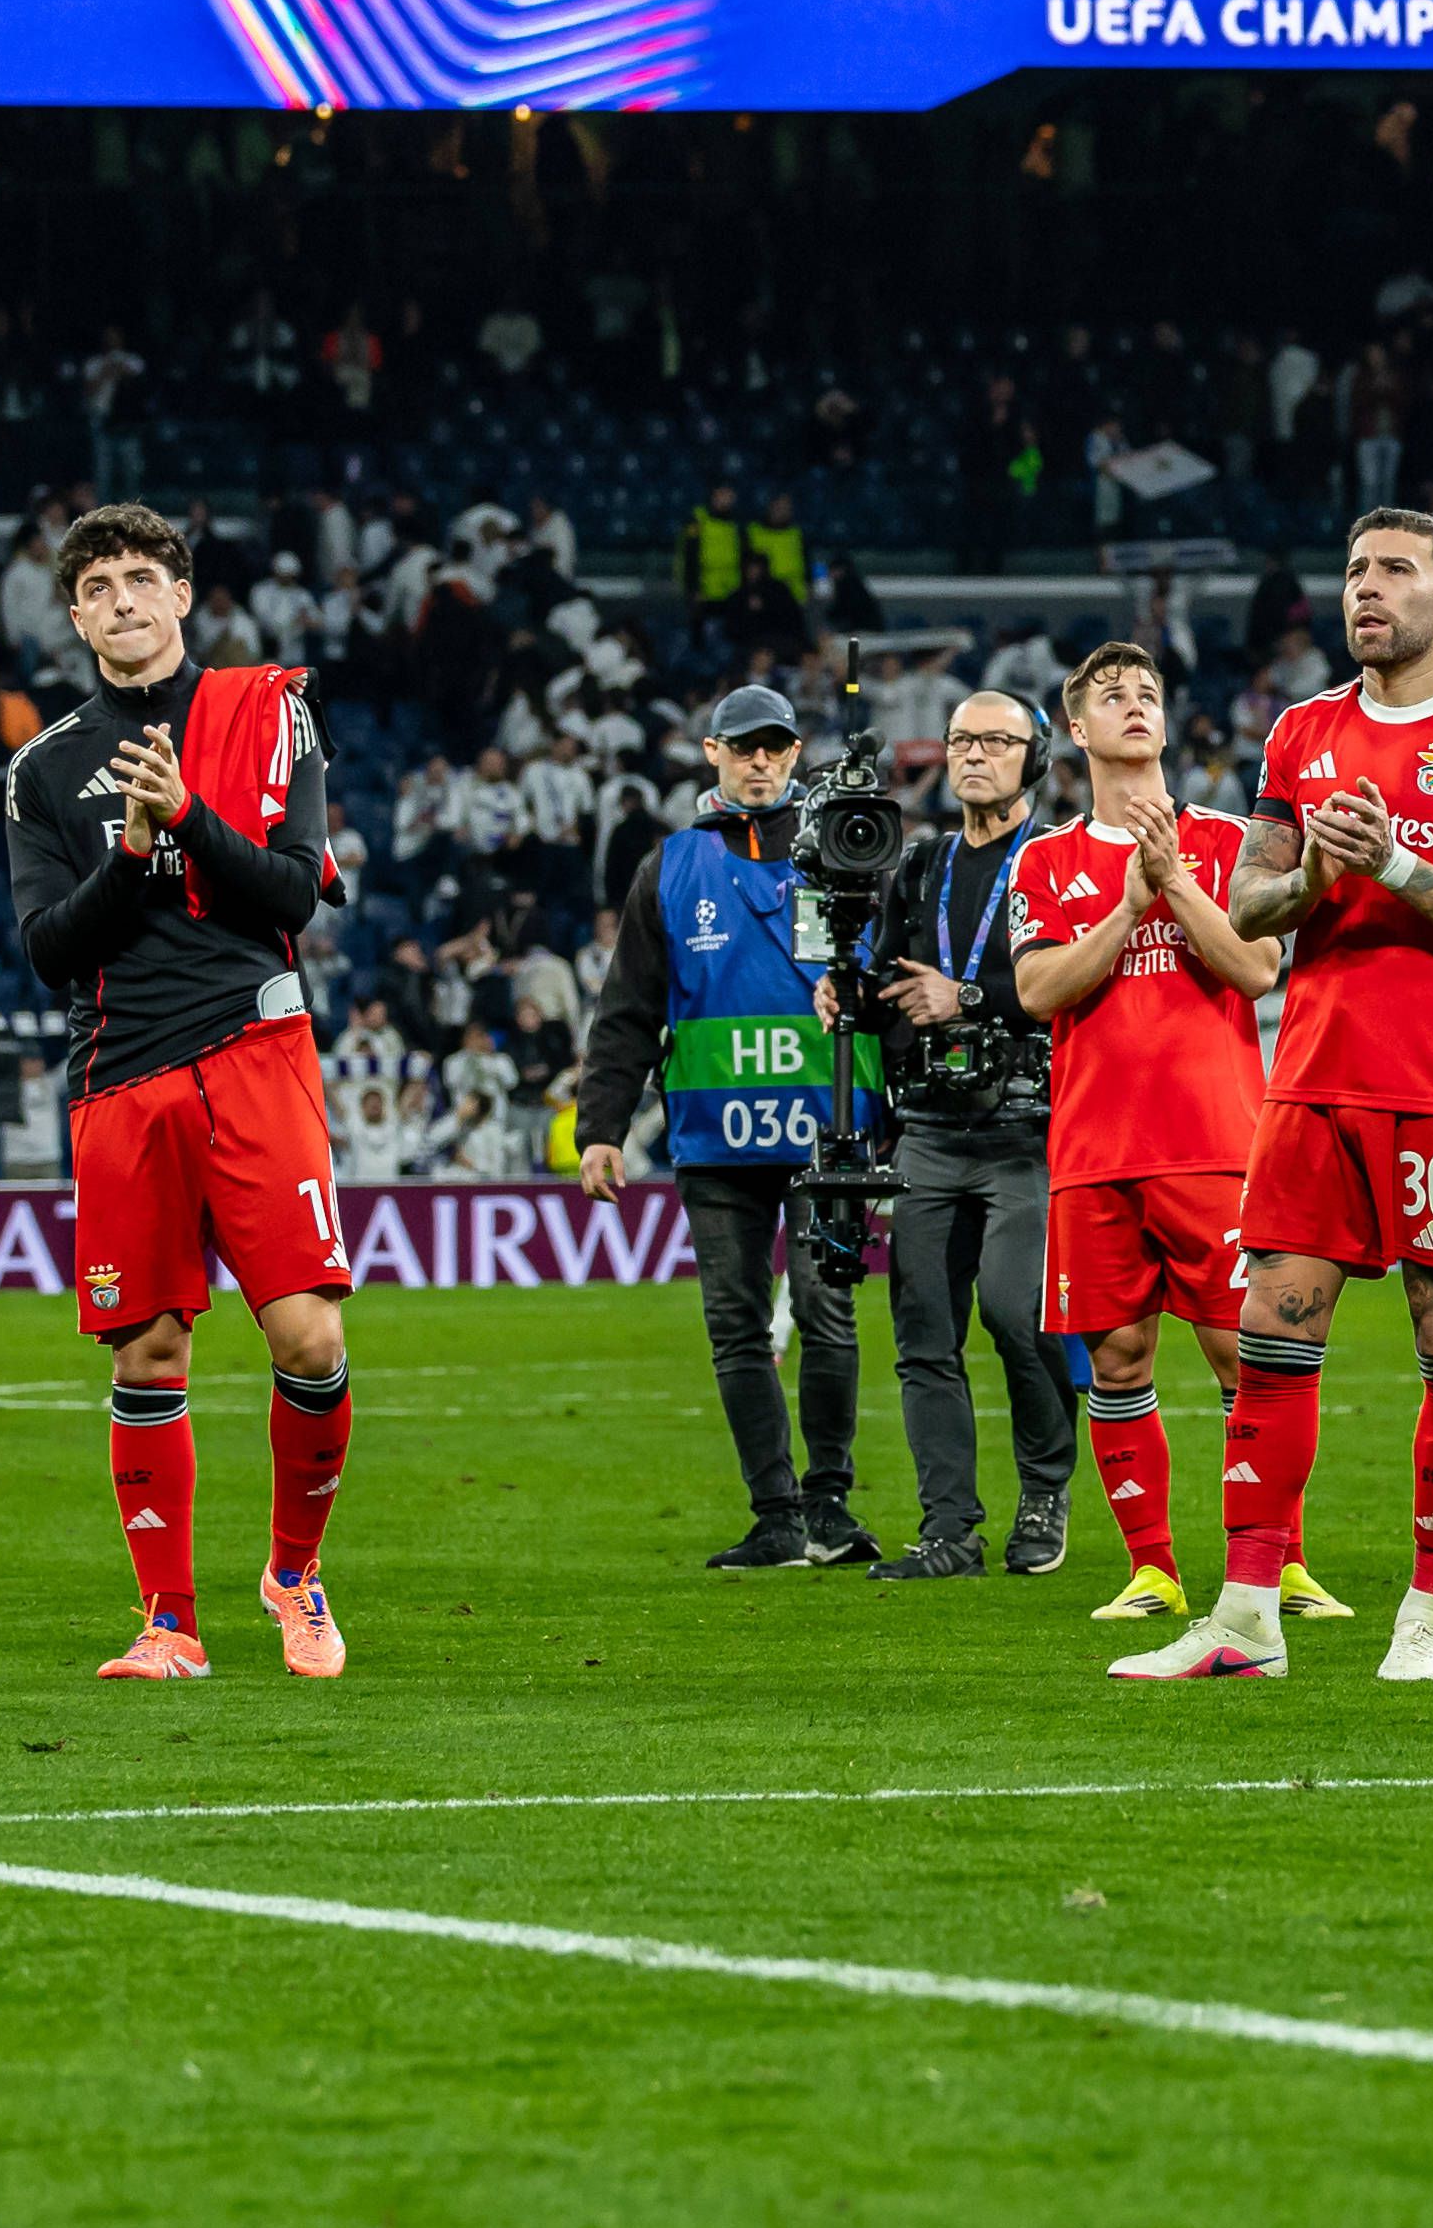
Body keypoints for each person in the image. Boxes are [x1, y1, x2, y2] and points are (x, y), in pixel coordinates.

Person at [1115, 509, 1433, 1686]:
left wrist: (1394, 865)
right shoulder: (1301, 730)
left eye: (1394, 571)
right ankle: (1246, 1617)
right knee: (1272, 1326)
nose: (1365, 588)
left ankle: (1429, 1612)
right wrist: (1317, 867)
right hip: (1312, 1074)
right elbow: (1248, 906)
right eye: (1357, 569)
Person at [6, 500, 355, 1682]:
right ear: (74, 616)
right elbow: (48, 948)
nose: (122, 600)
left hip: (255, 1047)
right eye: (97, 586)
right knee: (147, 1354)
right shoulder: (44, 766)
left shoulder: (268, 710)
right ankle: (168, 1622)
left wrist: (188, 819)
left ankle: (294, 1575)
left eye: (141, 578)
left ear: (182, 595)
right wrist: (132, 852)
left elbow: (293, 895)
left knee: (309, 1334)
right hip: (121, 1071)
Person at [1015, 637, 1341, 1632]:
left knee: (1248, 1357)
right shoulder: (1046, 858)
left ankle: (1280, 1562)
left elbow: (1256, 969)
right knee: (1117, 1358)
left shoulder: (1230, 838)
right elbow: (1038, 990)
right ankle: (1151, 1569)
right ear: (1077, 729)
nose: (1134, 704)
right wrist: (1127, 906)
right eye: (1111, 694)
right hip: (1094, 1152)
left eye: (1147, 692)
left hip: (1217, 1143)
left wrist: (1175, 881)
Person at [562, 682, 878, 1571]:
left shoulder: (848, 852)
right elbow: (627, 1008)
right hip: (714, 1138)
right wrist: (601, 1126)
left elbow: (888, 978)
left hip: (827, 1133)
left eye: (775, 746)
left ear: (797, 752)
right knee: (737, 1326)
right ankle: (776, 1515)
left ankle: (828, 1506)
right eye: (744, 746)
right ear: (713, 753)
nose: (760, 761)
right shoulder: (669, 865)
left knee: (825, 1312)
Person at [863, 686, 1073, 1577]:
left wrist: (970, 996)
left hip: (1028, 1126)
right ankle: (948, 1527)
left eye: (995, 740)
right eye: (960, 740)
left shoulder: (1060, 859)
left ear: (1036, 759)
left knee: (1016, 1315)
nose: (974, 754)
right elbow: (890, 988)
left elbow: (1074, 982)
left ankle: (1045, 1491)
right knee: (923, 1335)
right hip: (928, 1127)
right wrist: (850, 995)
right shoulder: (919, 864)